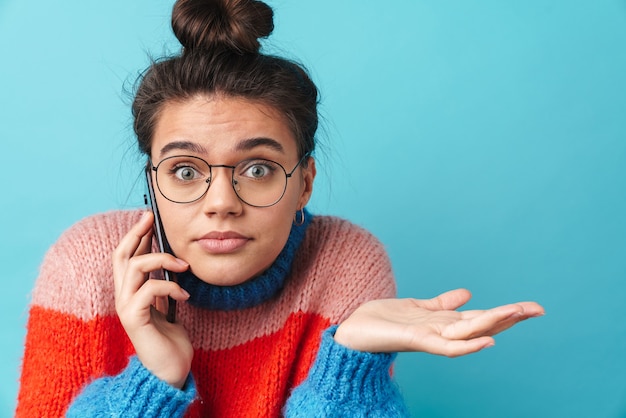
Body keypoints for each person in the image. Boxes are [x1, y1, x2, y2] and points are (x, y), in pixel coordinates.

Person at [16, 0, 545, 416]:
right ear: (151, 181)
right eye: (184, 171)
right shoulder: (85, 266)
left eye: (258, 169)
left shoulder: (344, 261)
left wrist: (350, 362)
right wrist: (155, 379)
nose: (221, 204)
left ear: (305, 182)